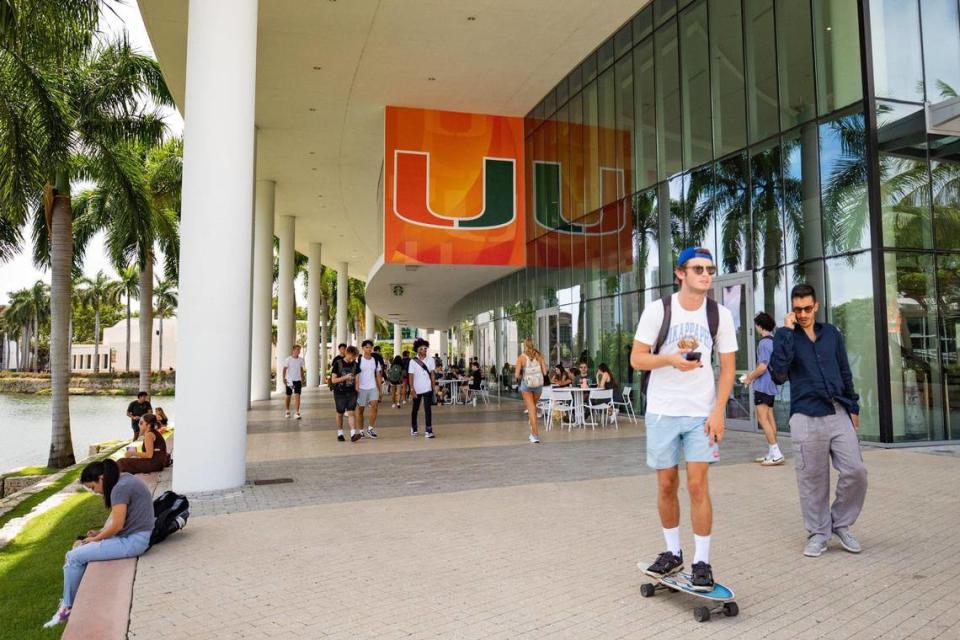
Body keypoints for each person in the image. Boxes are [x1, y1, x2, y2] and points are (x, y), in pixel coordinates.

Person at [630, 246, 737, 591]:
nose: (706, 274)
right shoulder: (657, 311)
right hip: (662, 411)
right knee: (666, 484)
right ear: (680, 273)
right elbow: (637, 359)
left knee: (696, 485)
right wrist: (670, 360)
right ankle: (672, 551)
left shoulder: (719, 315)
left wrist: (719, 410)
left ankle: (701, 561)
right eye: (698, 269)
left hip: (700, 414)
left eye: (709, 269)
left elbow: (728, 368)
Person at [769, 283, 867, 558]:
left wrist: (854, 406)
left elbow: (844, 371)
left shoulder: (832, 334)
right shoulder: (785, 336)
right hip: (805, 414)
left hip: (837, 410)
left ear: (817, 306)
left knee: (856, 471)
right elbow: (778, 374)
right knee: (812, 479)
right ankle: (817, 533)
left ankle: (841, 523)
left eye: (807, 308)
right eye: (797, 309)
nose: (802, 314)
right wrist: (787, 332)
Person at [43, 459, 154, 628]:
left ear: (101, 478)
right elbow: (120, 522)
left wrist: (96, 539)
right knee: (79, 547)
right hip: (135, 536)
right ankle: (69, 601)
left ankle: (67, 607)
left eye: (93, 488)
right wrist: (99, 534)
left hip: (133, 542)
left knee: (73, 557)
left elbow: (118, 525)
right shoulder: (123, 479)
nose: (97, 493)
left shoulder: (119, 488)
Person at [742, 311, 784, 466]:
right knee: (770, 417)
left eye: (756, 326)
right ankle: (773, 451)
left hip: (763, 385)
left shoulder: (764, 343)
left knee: (762, 419)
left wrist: (749, 377)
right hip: (771, 385)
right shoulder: (774, 341)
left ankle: (776, 453)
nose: (756, 328)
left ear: (760, 326)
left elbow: (762, 367)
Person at [515, 338, 547, 444]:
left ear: (525, 346)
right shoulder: (540, 356)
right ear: (534, 345)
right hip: (538, 385)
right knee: (533, 407)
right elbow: (545, 373)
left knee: (531, 409)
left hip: (527, 386)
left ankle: (535, 435)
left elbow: (516, 375)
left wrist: (523, 375)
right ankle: (533, 432)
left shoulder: (521, 358)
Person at [331, 346, 362, 442]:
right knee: (340, 413)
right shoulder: (338, 363)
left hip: (352, 392)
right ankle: (340, 433)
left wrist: (357, 390)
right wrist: (345, 378)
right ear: (346, 353)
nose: (352, 359)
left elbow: (357, 379)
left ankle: (353, 434)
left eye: (354, 357)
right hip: (339, 392)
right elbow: (333, 380)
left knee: (351, 412)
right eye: (351, 357)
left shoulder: (355, 365)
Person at [408, 338, 437, 438]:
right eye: (422, 348)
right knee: (415, 409)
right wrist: (412, 389)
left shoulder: (431, 360)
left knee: (427, 409)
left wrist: (433, 388)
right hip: (416, 388)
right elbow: (410, 375)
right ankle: (414, 427)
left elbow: (432, 374)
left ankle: (429, 430)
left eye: (425, 348)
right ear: (417, 350)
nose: (424, 350)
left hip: (427, 388)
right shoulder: (413, 361)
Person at [355, 340, 382, 439]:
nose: (369, 349)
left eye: (370, 347)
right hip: (361, 388)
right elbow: (356, 374)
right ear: (362, 348)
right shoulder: (358, 360)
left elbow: (378, 375)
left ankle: (370, 429)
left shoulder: (375, 360)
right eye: (366, 347)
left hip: (373, 387)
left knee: (374, 407)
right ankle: (361, 431)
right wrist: (356, 387)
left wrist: (380, 389)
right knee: (360, 410)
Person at [282, 344, 305, 419]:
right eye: (297, 349)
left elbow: (301, 369)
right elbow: (284, 369)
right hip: (289, 380)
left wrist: (302, 379)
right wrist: (283, 378)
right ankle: (287, 410)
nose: (298, 351)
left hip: (297, 380)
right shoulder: (288, 359)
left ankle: (297, 412)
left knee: (297, 395)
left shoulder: (301, 360)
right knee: (288, 395)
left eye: (299, 350)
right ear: (293, 350)